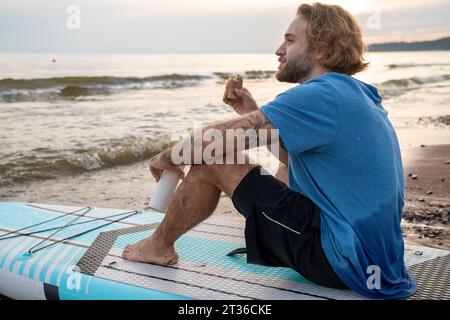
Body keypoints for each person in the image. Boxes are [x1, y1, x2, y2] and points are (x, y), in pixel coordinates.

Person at [122, 2, 417, 299]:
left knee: (213, 159)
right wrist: (253, 113)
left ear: (322, 50)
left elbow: (211, 142)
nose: (279, 50)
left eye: (290, 41)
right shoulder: (352, 92)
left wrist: (166, 157)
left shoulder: (319, 94)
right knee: (279, 171)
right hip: (377, 260)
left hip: (340, 260)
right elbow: (291, 162)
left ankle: (158, 247)